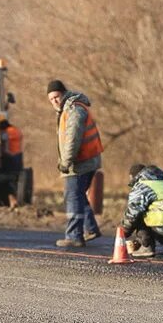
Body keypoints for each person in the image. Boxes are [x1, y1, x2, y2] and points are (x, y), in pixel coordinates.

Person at [47, 79, 102, 247]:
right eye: (51, 99)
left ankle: (74, 236)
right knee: (78, 196)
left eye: (56, 96)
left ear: (63, 94)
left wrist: (66, 161)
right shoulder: (69, 109)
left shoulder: (74, 110)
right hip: (86, 160)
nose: (54, 101)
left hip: (79, 162)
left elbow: (73, 138)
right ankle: (90, 229)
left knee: (72, 197)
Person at [0, 118, 24, 208]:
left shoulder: (5, 133)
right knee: (15, 178)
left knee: (9, 179)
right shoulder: (16, 130)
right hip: (17, 155)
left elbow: (4, 147)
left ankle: (12, 200)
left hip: (9, 157)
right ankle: (15, 199)